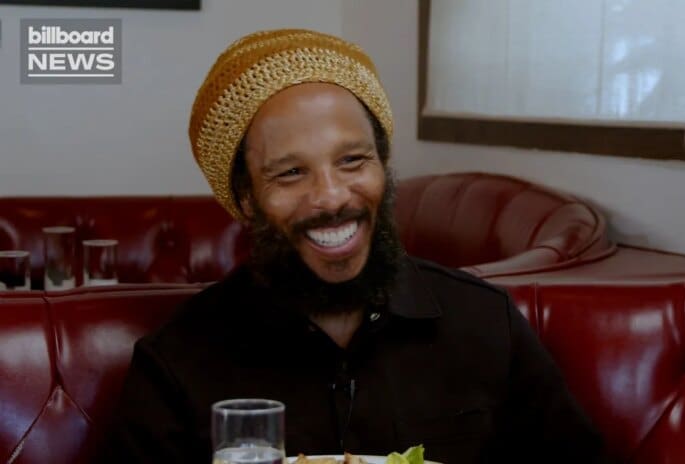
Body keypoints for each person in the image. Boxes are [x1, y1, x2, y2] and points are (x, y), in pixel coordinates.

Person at [100, 29, 610, 463]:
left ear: (383, 167)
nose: (331, 197)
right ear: (248, 199)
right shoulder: (178, 360)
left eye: (352, 161)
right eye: (291, 172)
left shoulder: (484, 321)